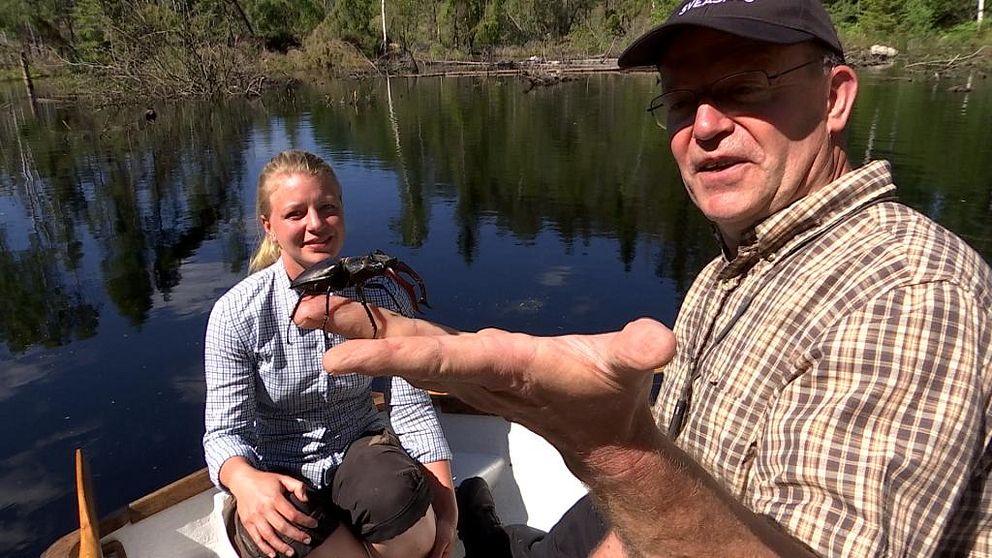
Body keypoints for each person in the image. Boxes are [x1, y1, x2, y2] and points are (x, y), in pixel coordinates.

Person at [293, 1, 992, 556]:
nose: (706, 126)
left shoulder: (909, 290)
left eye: (746, 87)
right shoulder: (742, 266)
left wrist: (619, 452)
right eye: (683, 101)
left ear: (836, 97)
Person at [203, 149, 457, 558]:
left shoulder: (379, 293)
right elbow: (224, 433)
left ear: (342, 210)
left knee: (411, 524)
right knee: (283, 533)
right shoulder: (235, 314)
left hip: (359, 445)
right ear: (268, 225)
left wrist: (447, 510)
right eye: (295, 214)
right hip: (277, 465)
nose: (315, 225)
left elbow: (412, 408)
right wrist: (245, 482)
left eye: (327, 208)